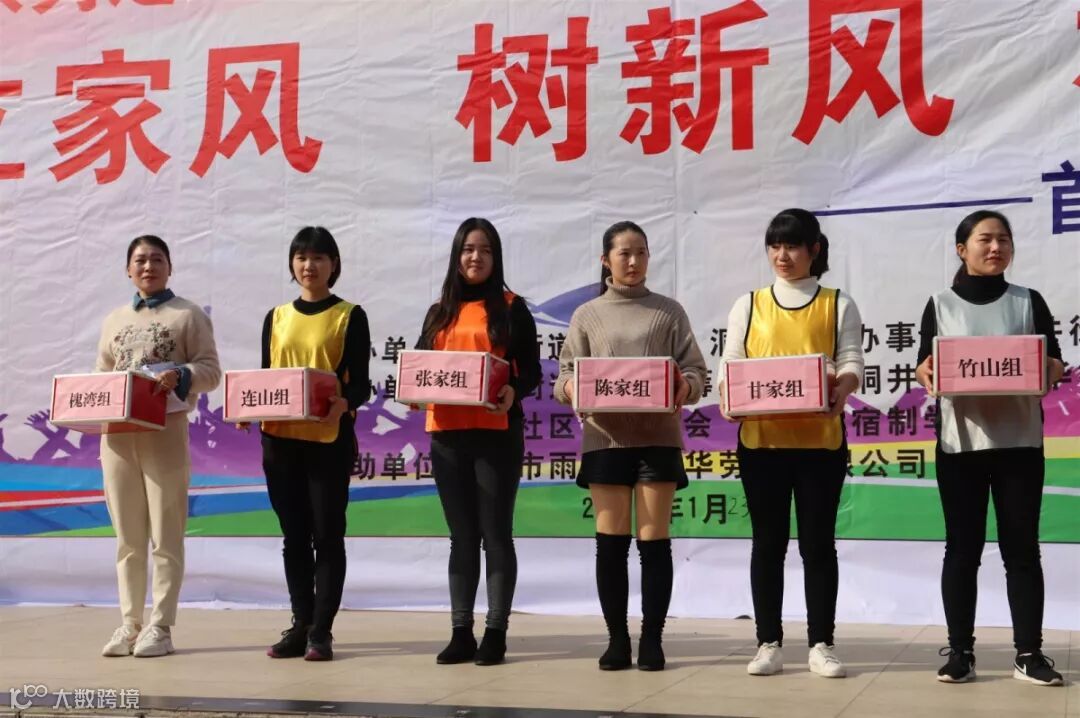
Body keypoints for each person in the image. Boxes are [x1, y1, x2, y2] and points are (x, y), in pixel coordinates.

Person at [914, 210, 1065, 686]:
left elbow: (1055, 361)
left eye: (1003, 239)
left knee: (1022, 550)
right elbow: (924, 365)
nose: (996, 247)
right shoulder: (940, 304)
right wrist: (925, 372)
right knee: (962, 550)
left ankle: (1029, 653)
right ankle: (960, 652)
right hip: (960, 444)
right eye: (985, 239)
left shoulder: (1028, 301)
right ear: (962, 249)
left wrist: (1050, 370)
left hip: (1020, 442)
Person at [555, 220, 707, 672]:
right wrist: (573, 390)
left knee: (654, 542)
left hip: (657, 439)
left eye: (641, 252)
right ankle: (617, 640)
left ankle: (652, 639)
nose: (634, 261)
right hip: (605, 440)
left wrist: (685, 385)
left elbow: (695, 371)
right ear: (606, 260)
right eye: (624, 253)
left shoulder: (669, 312)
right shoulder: (587, 315)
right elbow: (565, 376)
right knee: (611, 544)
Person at [719, 209, 864, 678]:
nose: (782, 256)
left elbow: (851, 360)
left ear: (814, 250)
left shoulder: (837, 303)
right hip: (762, 445)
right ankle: (768, 642)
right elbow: (731, 364)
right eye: (775, 246)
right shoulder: (749, 304)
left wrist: (843, 387)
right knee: (768, 544)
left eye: (793, 246)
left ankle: (822, 643)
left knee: (818, 546)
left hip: (820, 445)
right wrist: (729, 399)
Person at [417, 218, 541, 666]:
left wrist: (512, 391)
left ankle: (495, 631)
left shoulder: (511, 307)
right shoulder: (439, 312)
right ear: (457, 256)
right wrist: (413, 392)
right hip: (447, 436)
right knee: (462, 537)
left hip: (495, 436)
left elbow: (530, 370)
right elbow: (420, 366)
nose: (476, 257)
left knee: (496, 534)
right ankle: (460, 631)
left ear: (496, 257)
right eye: (468, 249)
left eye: (485, 250)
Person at [97, 235, 221, 658]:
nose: (148, 267)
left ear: (170, 267)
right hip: (117, 438)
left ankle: (161, 626)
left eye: (156, 259)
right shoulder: (114, 320)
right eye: (140, 260)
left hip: (165, 431)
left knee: (166, 535)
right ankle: (130, 623)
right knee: (128, 537)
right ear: (128, 270)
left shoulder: (187, 315)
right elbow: (102, 375)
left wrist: (181, 375)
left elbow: (210, 371)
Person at [258, 227, 371, 662]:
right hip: (280, 441)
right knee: (293, 536)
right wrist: (249, 407)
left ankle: (322, 630)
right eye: (302, 257)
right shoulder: (276, 317)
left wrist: (345, 403)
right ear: (292, 264)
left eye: (319, 257)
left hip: (327, 441)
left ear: (333, 265)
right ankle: (300, 623)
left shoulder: (349, 315)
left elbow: (359, 384)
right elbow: (265, 376)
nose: (310, 265)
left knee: (327, 535)